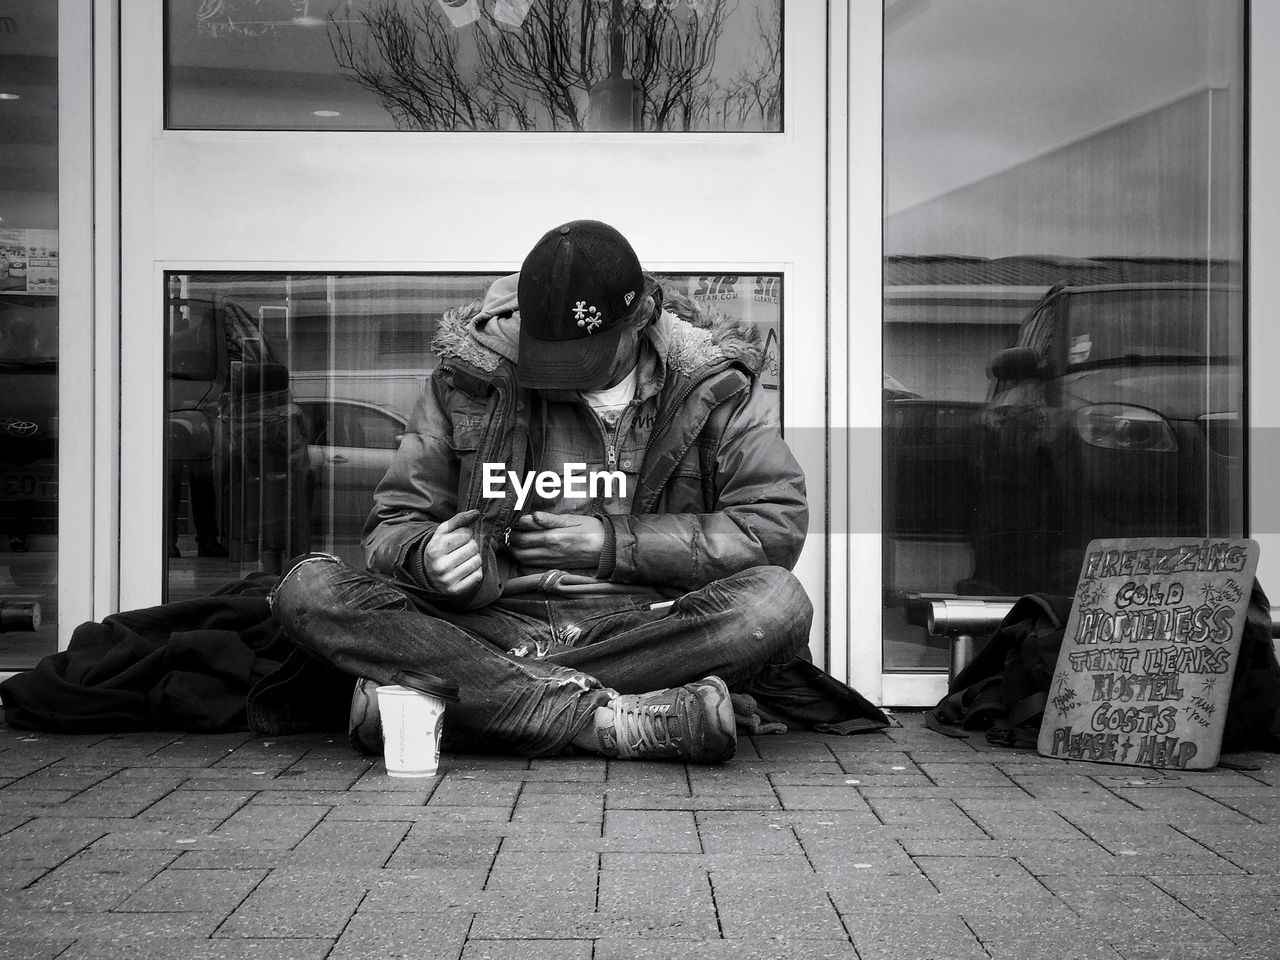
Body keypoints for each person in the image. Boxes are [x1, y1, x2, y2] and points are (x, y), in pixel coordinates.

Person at [269, 220, 873, 763]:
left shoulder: (712, 386)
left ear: (640, 318)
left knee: (775, 605)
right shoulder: (467, 380)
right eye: (546, 352)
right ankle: (606, 720)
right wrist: (424, 557)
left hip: (645, 626)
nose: (558, 373)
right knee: (308, 589)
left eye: (581, 357)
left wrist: (610, 545)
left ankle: (465, 701)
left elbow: (772, 528)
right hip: (489, 621)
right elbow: (394, 524)